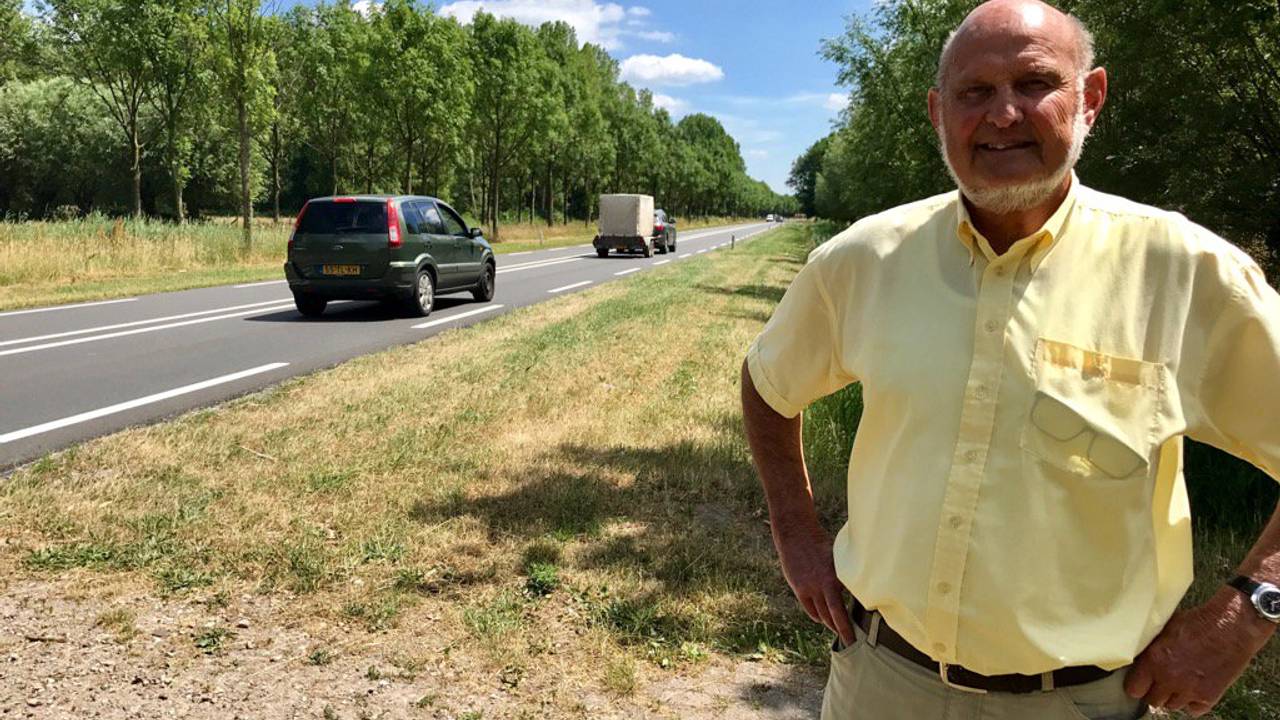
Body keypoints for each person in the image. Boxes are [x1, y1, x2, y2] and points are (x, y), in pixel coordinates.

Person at [740, 1, 1280, 718]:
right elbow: (768, 382)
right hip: (881, 683)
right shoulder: (864, 261)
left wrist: (1243, 617)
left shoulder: (1186, 273)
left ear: (1090, 99)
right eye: (975, 92)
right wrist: (798, 536)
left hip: (1084, 700)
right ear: (938, 112)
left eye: (1033, 84)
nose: (1002, 114)